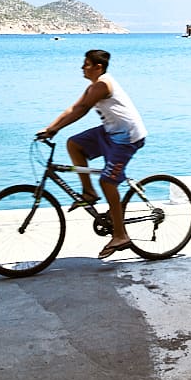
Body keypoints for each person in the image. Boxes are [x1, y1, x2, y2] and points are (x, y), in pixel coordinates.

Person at [39, 49, 147, 259]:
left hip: (127, 137)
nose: (82, 67)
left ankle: (120, 235)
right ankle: (89, 193)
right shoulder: (93, 86)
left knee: (108, 182)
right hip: (110, 132)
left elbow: (82, 110)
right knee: (74, 144)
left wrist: (55, 130)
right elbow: (75, 107)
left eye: (86, 64)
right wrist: (49, 127)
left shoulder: (102, 84)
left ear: (98, 67)